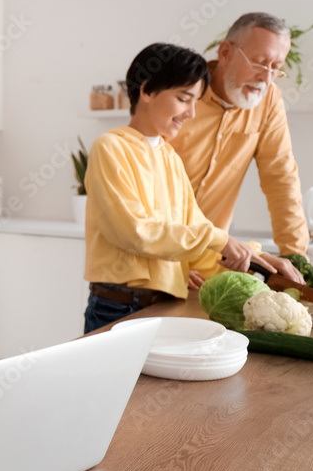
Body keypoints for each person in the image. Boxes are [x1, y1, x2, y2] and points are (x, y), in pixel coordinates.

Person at [83, 44, 295, 334]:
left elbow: (196, 234)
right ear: (146, 91)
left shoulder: (170, 157)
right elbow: (133, 231)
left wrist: (255, 257)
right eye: (184, 99)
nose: (192, 112)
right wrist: (218, 239)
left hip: (166, 305)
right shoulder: (111, 147)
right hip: (117, 307)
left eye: (196, 101)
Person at [168, 12, 308, 280]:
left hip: (207, 269)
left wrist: (295, 258)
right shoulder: (180, 95)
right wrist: (163, 265)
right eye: (258, 62)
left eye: (276, 67)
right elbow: (146, 187)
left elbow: (281, 178)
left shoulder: (268, 101)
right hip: (156, 263)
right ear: (225, 52)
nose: (266, 78)